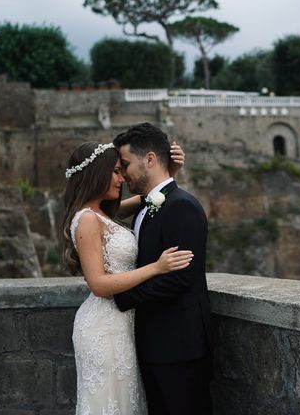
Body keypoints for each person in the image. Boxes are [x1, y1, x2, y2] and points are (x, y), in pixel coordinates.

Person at [62, 140, 190, 414]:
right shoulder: (86, 219)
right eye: (116, 171)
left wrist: (169, 174)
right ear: (97, 173)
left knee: (124, 402)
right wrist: (156, 268)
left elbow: (150, 197)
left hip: (121, 323)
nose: (122, 178)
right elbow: (98, 284)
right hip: (102, 326)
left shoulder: (102, 213)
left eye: (122, 170)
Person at [113, 122, 213, 415]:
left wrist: (122, 297)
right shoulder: (149, 205)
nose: (123, 174)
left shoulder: (181, 207)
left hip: (180, 346)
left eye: (125, 164)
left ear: (151, 159)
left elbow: (179, 279)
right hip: (157, 344)